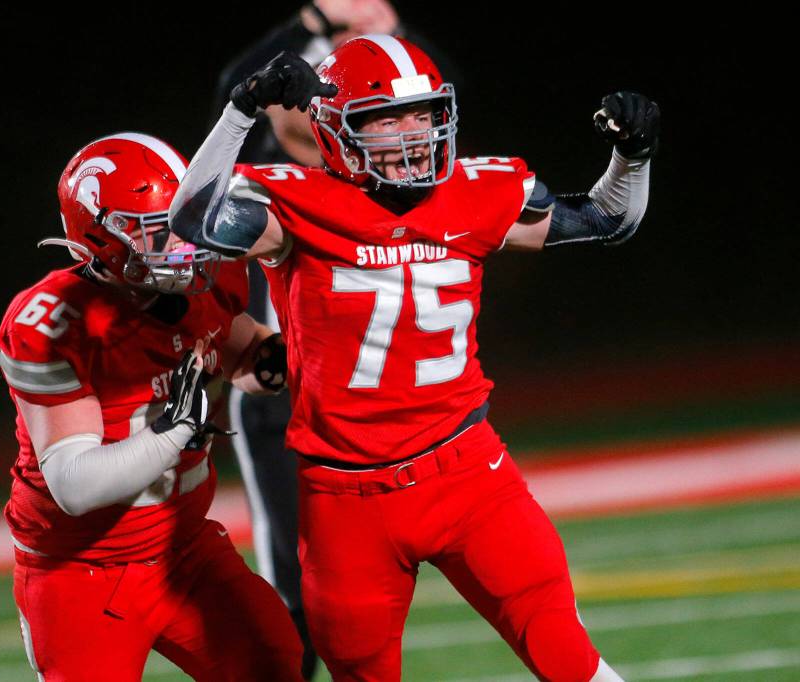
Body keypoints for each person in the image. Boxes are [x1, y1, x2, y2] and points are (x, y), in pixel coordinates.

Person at [171, 35, 659, 681]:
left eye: (424, 113)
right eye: (384, 118)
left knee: (569, 656)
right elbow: (191, 220)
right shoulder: (292, 203)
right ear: (337, 129)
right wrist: (241, 112)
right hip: (346, 497)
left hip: (468, 473)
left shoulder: (480, 190)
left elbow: (606, 217)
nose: (411, 133)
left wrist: (633, 155)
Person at [0, 132, 303, 681]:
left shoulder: (205, 283)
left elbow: (242, 351)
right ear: (101, 237)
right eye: (160, 232)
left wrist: (289, 361)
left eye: (186, 223)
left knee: (273, 661)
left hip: (185, 550)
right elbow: (74, 484)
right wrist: (173, 432)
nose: (186, 245)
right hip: (83, 568)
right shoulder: (54, 321)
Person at [211, 7, 457, 678]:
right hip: (289, 396)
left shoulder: (401, 181)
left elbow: (425, 91)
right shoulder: (274, 190)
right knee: (297, 594)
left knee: (362, 606)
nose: (401, 134)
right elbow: (235, 105)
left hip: (380, 414)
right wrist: (314, 23)